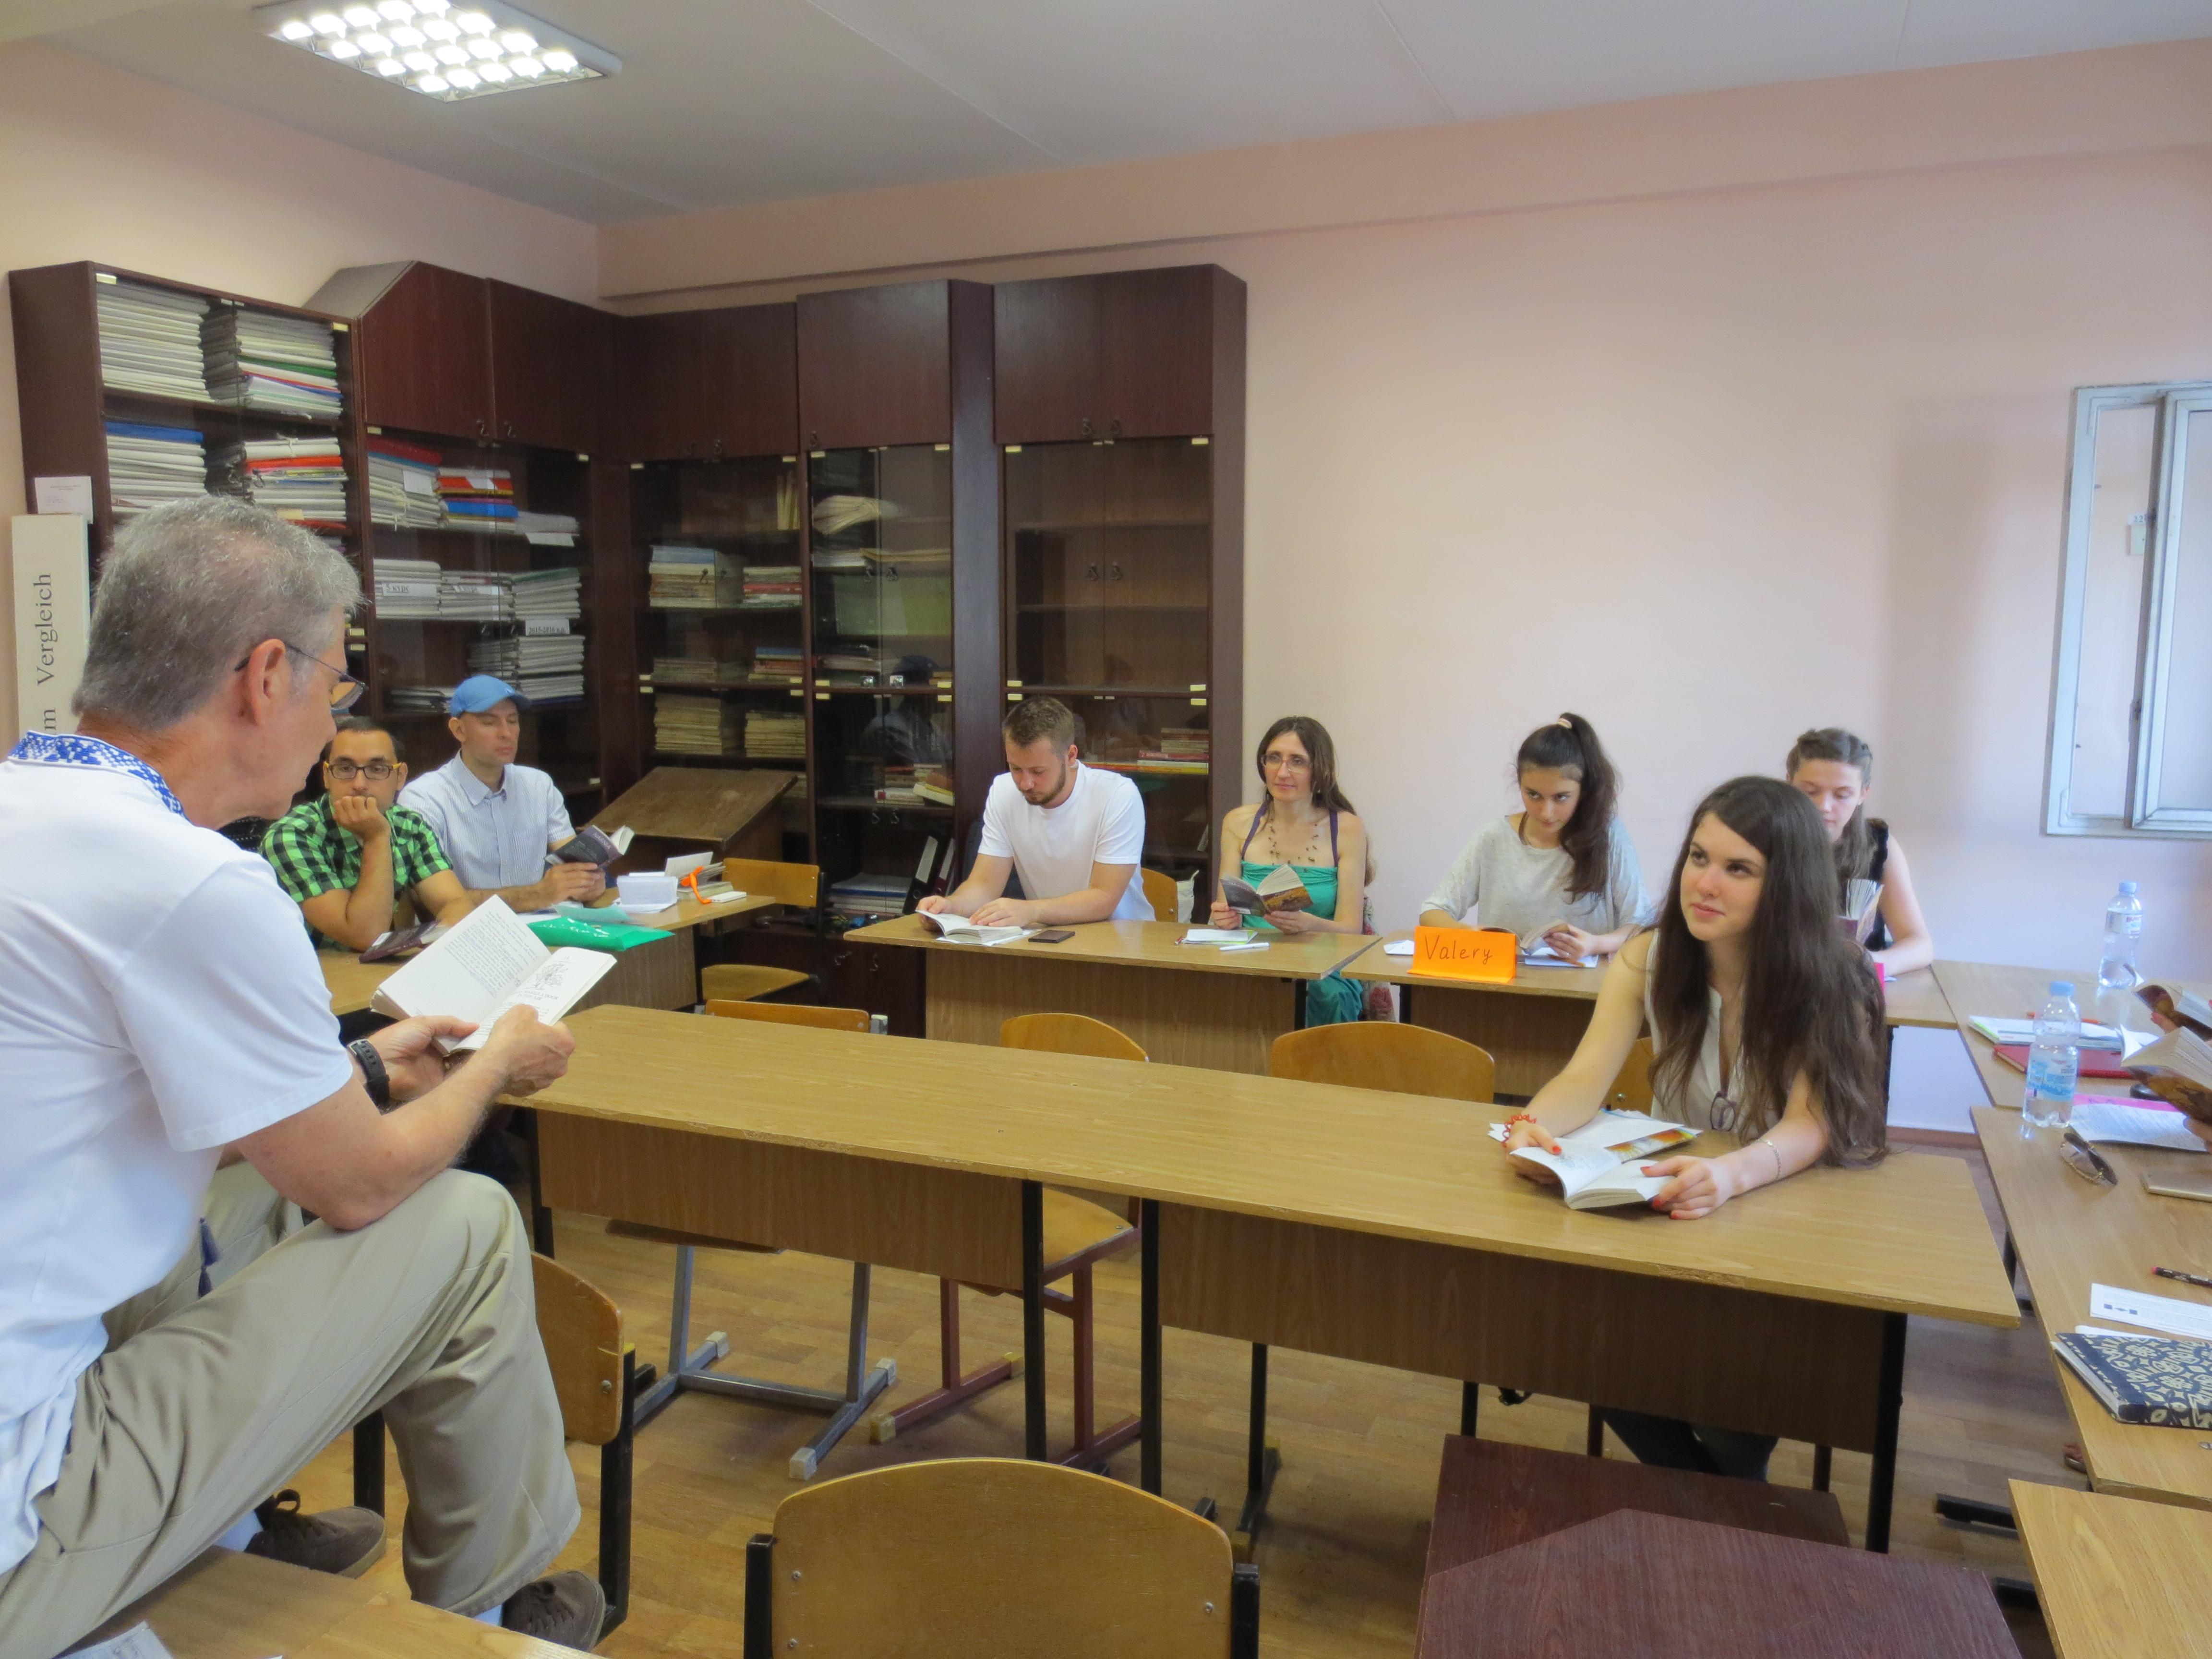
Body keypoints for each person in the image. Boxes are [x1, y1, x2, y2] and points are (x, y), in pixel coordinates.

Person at [0, 498, 603, 1651]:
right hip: (25, 1520)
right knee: (467, 1220)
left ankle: (231, 1533)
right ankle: (492, 1615)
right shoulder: (193, 881)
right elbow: (359, 1187)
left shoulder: (27, 812)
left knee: (212, 1207)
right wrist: (492, 1067)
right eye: (334, 684)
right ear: (266, 674)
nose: (335, 718)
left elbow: (90, 1121)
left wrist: (364, 1063)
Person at [1500, 775, 1889, 1479]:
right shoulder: (1648, 956)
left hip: (1780, 1207)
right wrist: (1530, 1126)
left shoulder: (1836, 977)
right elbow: (1584, 1079)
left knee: (1731, 1421)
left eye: (1739, 869)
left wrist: (1730, 1175)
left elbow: (1812, 1124)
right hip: (1669, 1205)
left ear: (1787, 885)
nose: (1705, 884)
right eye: (1699, 858)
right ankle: (1727, 1513)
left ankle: (1725, 1507)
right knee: (1578, 1345)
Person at [1419, 713, 1646, 961]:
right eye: (1533, 795)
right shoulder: (1493, 837)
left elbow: (1641, 923)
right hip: (1505, 979)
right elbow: (1433, 911)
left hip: (1583, 981)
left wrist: (1595, 944)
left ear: (1583, 792)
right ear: (1519, 784)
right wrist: (1467, 933)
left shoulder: (1608, 836)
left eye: (1561, 797)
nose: (1546, 812)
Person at [920, 697, 1153, 925]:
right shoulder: (1004, 790)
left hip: (1122, 937)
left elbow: (1103, 898)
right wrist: (950, 907)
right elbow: (984, 885)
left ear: (1071, 756)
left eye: (1038, 771)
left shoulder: (1117, 795)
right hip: (1049, 935)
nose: (1025, 784)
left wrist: (1032, 910)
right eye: (1016, 769)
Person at [1207, 716, 1371, 1023]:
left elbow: (1351, 929)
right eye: (1274, 758)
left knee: (1328, 997)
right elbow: (1226, 906)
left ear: (1320, 771)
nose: (1283, 772)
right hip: (1250, 955)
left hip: (1322, 961)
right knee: (1213, 994)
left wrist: (1308, 924)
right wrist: (1225, 917)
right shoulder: (1238, 822)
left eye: (1297, 761)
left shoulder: (1347, 828)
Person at [261, 717, 475, 951]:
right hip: (309, 969)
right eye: (345, 769)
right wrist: (376, 838)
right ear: (326, 776)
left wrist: (432, 941)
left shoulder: (409, 826)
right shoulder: (292, 836)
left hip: (374, 969)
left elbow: (456, 902)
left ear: (400, 777)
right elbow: (366, 936)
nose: (360, 784)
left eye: (377, 769)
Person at [397, 675, 605, 912]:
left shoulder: (539, 785)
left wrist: (587, 883)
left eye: (513, 721)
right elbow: (431, 901)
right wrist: (536, 895)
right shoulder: (424, 798)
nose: (506, 733)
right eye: (489, 723)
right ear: (459, 730)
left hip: (543, 923)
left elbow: (573, 864)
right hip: (466, 929)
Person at [1784, 727, 1936, 976]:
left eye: (1842, 795)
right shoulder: (1760, 840)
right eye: (1810, 792)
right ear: (1789, 783)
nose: (1824, 806)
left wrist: (1871, 963)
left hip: (1854, 984)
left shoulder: (1877, 846)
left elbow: (1919, 945)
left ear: (1863, 794)